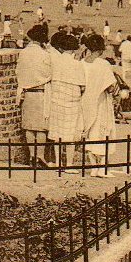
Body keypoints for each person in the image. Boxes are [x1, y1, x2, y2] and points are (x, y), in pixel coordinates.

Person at [15, 24, 56, 167]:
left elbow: (18, 71)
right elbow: (49, 73)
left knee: (29, 127)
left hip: (27, 93)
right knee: (41, 128)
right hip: (41, 92)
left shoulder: (23, 53)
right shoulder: (45, 55)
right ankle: (40, 156)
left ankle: (32, 156)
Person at [81, 34, 118, 176]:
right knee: (103, 133)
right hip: (101, 102)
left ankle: (93, 167)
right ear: (101, 49)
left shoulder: (82, 63)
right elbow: (110, 87)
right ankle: (102, 168)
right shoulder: (103, 64)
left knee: (89, 133)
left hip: (85, 101)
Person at [47, 33, 85, 169]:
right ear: (74, 48)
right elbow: (83, 86)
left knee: (57, 134)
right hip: (72, 101)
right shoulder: (77, 64)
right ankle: (68, 164)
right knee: (70, 134)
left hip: (56, 99)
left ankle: (57, 162)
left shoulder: (55, 62)